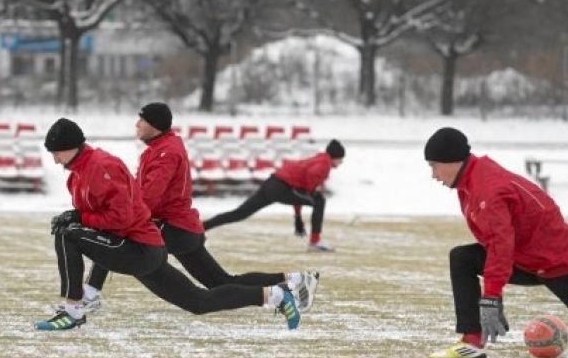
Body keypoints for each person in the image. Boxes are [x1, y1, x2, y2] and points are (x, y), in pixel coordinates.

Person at [35, 117, 301, 331]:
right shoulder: (77, 174)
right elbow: (99, 219)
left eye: (57, 152)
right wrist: (76, 215)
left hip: (141, 249)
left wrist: (78, 218)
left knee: (67, 235)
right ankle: (275, 296)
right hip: (138, 249)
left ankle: (73, 310)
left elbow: (121, 218)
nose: (55, 159)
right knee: (199, 302)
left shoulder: (102, 167)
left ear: (73, 145)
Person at [82, 102, 320, 315]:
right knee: (221, 282)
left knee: (116, 237)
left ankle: (89, 296)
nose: (137, 124)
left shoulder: (166, 153)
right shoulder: (161, 147)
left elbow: (149, 198)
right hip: (183, 228)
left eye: (141, 120)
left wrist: (119, 207)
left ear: (153, 125)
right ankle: (294, 280)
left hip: (174, 227)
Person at [424, 127, 568, 358]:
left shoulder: (487, 189)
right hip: (525, 261)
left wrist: (492, 297)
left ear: (452, 160)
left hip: (560, 263)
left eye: (434, 165)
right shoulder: (469, 182)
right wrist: (494, 294)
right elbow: (494, 244)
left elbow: (500, 244)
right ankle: (472, 341)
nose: (433, 174)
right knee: (462, 258)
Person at [202, 137, 346, 252]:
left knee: (240, 213)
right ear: (335, 157)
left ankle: (201, 227)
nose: (341, 162)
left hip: (272, 183)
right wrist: (308, 195)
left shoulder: (318, 158)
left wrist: (298, 216)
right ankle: (315, 241)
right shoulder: (324, 164)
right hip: (280, 188)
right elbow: (307, 183)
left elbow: (298, 193)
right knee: (319, 200)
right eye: (341, 159)